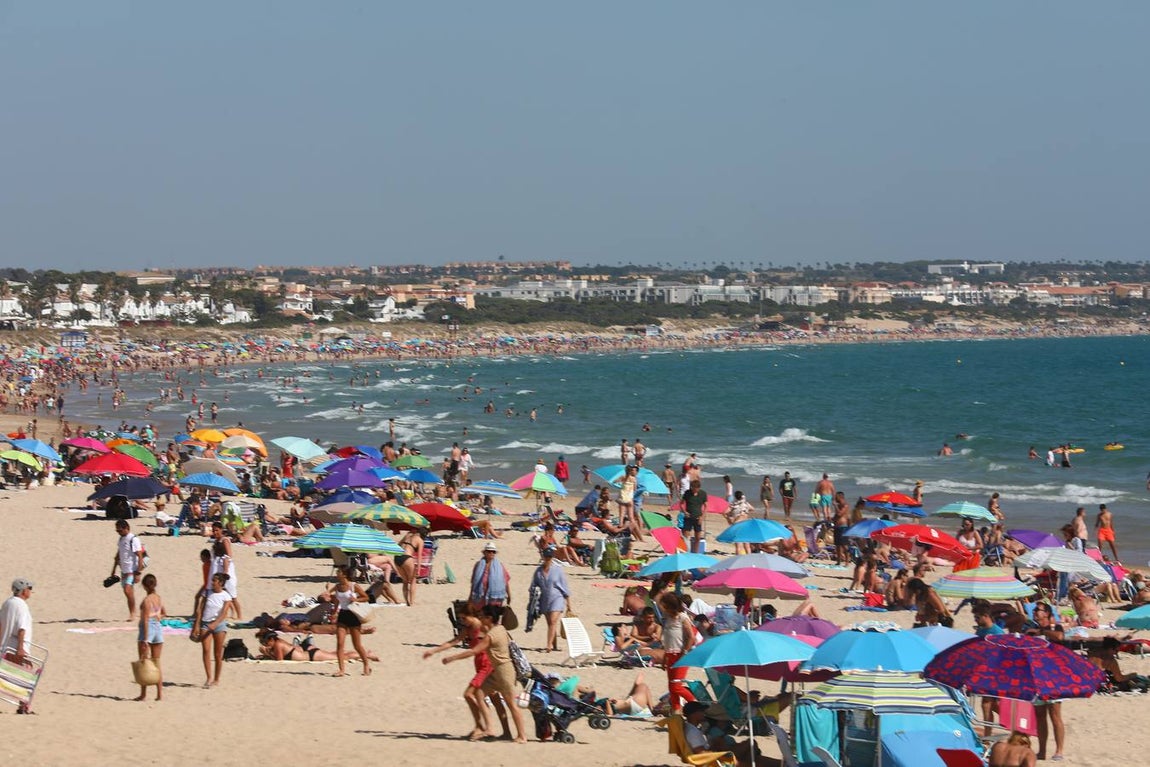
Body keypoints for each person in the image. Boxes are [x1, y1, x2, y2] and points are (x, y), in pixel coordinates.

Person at [442, 605, 528, 743]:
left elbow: (474, 651)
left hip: (504, 671)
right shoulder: (500, 628)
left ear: (489, 618)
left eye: (482, 616)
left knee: (511, 704)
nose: (479, 618)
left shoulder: (492, 635)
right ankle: (499, 731)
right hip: (497, 672)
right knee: (479, 693)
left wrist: (452, 658)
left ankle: (522, 736)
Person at [423, 602, 496, 740]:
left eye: (464, 618)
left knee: (469, 694)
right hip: (479, 665)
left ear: (471, 615)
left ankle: (486, 728)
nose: (462, 621)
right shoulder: (468, 629)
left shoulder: (483, 626)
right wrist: (433, 651)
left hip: (487, 664)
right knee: (480, 696)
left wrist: (453, 658)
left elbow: (496, 639)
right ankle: (481, 727)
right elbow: (453, 641)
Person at [192, 572, 235, 688]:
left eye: (214, 581)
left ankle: (216, 679)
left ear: (220, 583)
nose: (212, 583)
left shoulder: (226, 596)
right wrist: (196, 625)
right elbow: (200, 610)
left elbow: (223, 613)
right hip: (205, 623)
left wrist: (215, 624)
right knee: (206, 650)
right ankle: (208, 677)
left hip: (219, 625)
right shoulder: (207, 593)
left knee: (217, 653)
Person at [329, 566, 372, 677]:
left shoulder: (353, 586)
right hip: (342, 614)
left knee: (357, 645)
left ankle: (366, 665)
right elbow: (337, 601)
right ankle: (341, 670)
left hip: (353, 615)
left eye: (339, 572)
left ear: (344, 575)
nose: (337, 573)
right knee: (340, 643)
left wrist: (356, 599)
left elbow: (366, 597)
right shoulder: (337, 587)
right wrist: (334, 612)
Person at [0, 578, 34, 714]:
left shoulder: (7, 603)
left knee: (4, 675)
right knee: (26, 675)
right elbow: (22, 628)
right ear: (23, 590)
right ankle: (23, 707)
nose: (30, 591)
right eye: (29, 588)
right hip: (17, 646)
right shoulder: (22, 606)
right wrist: (20, 648)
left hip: (5, 645)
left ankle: (22, 706)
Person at [659, 592, 697, 712]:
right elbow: (668, 641)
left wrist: (685, 652)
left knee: (676, 686)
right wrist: (665, 658)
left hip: (681, 655)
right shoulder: (668, 619)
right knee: (672, 687)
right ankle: (676, 711)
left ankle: (695, 704)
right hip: (670, 655)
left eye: (665, 606)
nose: (663, 609)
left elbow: (691, 637)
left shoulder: (682, 617)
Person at [531, 546, 571, 652]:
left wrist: (569, 604)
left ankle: (548, 645)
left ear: (552, 557)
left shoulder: (558, 570)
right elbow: (533, 585)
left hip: (557, 598)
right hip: (544, 599)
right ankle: (555, 646)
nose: (548, 558)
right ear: (543, 557)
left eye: (550, 557)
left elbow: (564, 586)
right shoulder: (538, 571)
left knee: (553, 621)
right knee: (550, 624)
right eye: (546, 556)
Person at [134, 573, 166, 701]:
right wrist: (158, 616)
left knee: (144, 662)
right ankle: (159, 694)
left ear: (144, 586)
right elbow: (164, 613)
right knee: (156, 662)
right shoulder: (158, 598)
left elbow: (146, 620)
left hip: (148, 630)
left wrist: (146, 639)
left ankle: (143, 694)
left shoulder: (147, 601)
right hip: (157, 628)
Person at [259, 631, 379, 663]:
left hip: (312, 656)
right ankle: (365, 653)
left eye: (265, 642)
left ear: (271, 639)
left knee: (341, 657)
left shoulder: (278, 645)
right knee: (336, 654)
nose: (264, 645)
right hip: (310, 652)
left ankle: (367, 654)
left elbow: (280, 661)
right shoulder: (278, 642)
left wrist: (267, 654)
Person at [111, 519, 145, 620]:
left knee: (127, 590)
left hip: (132, 570)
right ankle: (133, 611)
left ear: (127, 528)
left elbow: (140, 555)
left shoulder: (133, 539)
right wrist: (113, 570)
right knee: (129, 593)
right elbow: (118, 555)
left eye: (120, 530)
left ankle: (132, 613)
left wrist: (138, 572)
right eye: (117, 531)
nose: (119, 533)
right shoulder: (121, 539)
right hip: (124, 570)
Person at [209, 521, 242, 621]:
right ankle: (229, 613)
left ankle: (239, 615)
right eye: (213, 531)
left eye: (217, 530)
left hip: (225, 568)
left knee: (232, 595)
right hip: (218, 568)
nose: (215, 532)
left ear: (221, 530)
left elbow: (229, 555)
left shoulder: (225, 540)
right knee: (224, 593)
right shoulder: (216, 541)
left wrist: (226, 571)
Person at [470, 542, 511, 612]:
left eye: (493, 552)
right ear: (484, 552)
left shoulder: (500, 566)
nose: (491, 553)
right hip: (480, 597)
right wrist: (470, 597)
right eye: (489, 551)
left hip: (495, 599)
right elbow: (474, 583)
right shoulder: (478, 565)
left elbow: (505, 582)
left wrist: (509, 595)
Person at [395, 527, 426, 606]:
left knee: (405, 581)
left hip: (397, 558)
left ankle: (407, 602)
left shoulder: (408, 535)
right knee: (413, 580)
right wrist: (418, 569)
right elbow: (419, 556)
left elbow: (398, 545)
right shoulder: (420, 540)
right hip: (407, 558)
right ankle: (412, 602)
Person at [681, 479, 708, 553]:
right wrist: (684, 512)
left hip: (698, 518)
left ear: (698, 488)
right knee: (685, 536)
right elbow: (681, 503)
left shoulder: (703, 494)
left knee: (698, 538)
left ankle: (695, 553)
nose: (693, 490)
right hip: (688, 517)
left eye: (694, 489)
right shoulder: (687, 493)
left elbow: (706, 506)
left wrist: (702, 517)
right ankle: (685, 551)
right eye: (692, 488)